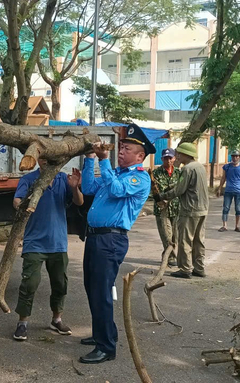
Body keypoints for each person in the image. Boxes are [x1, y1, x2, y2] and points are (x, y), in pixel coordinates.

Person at [79, 124, 154, 364]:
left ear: (140, 156)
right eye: (120, 147)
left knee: (101, 291)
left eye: (127, 148)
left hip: (110, 240)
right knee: (92, 288)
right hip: (95, 237)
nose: (121, 151)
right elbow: (89, 187)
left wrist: (105, 161)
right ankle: (101, 333)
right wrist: (91, 159)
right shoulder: (117, 173)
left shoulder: (138, 177)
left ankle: (107, 347)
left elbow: (116, 189)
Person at [12, 160, 84, 341]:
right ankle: (22, 323)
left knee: (60, 283)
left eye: (51, 157)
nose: (47, 161)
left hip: (58, 243)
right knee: (29, 283)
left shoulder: (62, 179)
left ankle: (56, 319)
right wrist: (24, 204)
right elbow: (16, 200)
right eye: (43, 157)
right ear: (38, 160)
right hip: (34, 242)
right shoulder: (29, 179)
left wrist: (75, 188)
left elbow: (79, 202)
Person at [158, 142, 209, 279]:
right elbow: (188, 183)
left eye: (179, 154)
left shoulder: (187, 169)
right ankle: (199, 268)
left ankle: (185, 269)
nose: (177, 156)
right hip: (202, 209)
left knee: (185, 240)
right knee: (199, 240)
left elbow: (180, 190)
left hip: (190, 210)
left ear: (186, 154)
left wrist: (162, 196)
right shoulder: (200, 167)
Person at [152, 148, 180, 267]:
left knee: (175, 235)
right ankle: (170, 256)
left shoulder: (179, 173)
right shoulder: (156, 173)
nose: (168, 160)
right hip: (162, 209)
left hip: (176, 208)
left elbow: (181, 188)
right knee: (166, 235)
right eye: (166, 158)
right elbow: (156, 191)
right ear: (162, 159)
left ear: (174, 158)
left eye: (170, 158)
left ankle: (168, 254)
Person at [216, 150, 240, 232]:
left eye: (236, 156)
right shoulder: (227, 167)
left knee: (238, 208)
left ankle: (237, 226)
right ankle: (224, 226)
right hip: (228, 190)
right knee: (226, 208)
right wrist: (219, 188)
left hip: (239, 191)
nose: (234, 158)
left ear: (239, 157)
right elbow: (223, 178)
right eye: (233, 156)